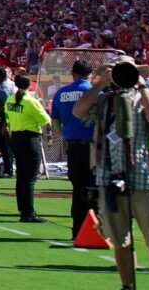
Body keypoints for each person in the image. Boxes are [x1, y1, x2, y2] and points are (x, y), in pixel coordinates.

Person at [74, 60, 149, 290]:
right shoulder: (104, 101)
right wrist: (100, 85)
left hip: (143, 176)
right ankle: (127, 286)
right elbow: (79, 111)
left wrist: (141, 85)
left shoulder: (145, 97)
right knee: (119, 240)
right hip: (109, 177)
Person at [52, 58, 98, 238]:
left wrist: (66, 133)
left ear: (73, 74)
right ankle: (93, 229)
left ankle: (77, 229)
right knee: (93, 188)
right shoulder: (94, 93)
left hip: (72, 145)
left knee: (77, 188)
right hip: (92, 146)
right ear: (91, 74)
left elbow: (55, 123)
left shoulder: (61, 93)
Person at [4, 73, 49, 223]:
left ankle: (23, 209)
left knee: (21, 176)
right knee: (30, 178)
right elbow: (45, 121)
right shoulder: (31, 101)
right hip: (30, 138)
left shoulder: (10, 99)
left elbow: (8, 117)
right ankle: (29, 213)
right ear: (30, 85)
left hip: (16, 137)